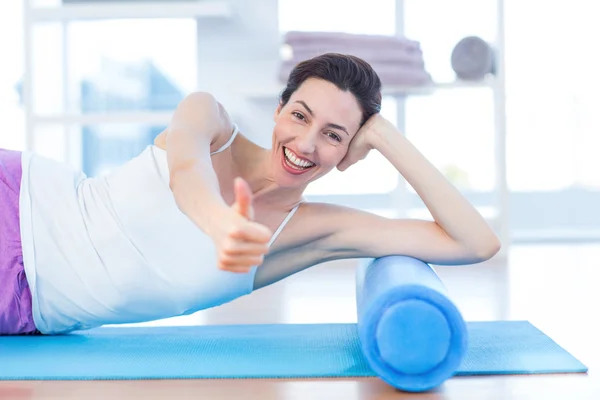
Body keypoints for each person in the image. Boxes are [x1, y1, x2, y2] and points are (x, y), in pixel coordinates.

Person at [0, 53, 500, 336]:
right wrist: (219, 223)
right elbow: (185, 171)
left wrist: (387, 139)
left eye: (333, 135)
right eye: (300, 115)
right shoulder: (209, 118)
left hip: (26, 304)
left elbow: (476, 243)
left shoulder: (311, 231)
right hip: (20, 197)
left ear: (349, 150)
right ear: (280, 109)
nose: (305, 144)